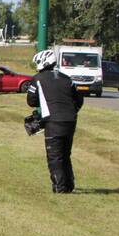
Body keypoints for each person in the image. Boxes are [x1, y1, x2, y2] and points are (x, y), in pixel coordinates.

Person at [27, 49, 83, 193]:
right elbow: (79, 99)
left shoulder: (38, 79)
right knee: (65, 154)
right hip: (70, 121)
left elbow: (31, 100)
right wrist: (72, 111)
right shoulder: (67, 78)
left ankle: (59, 186)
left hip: (53, 121)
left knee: (55, 156)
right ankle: (69, 185)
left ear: (43, 62)